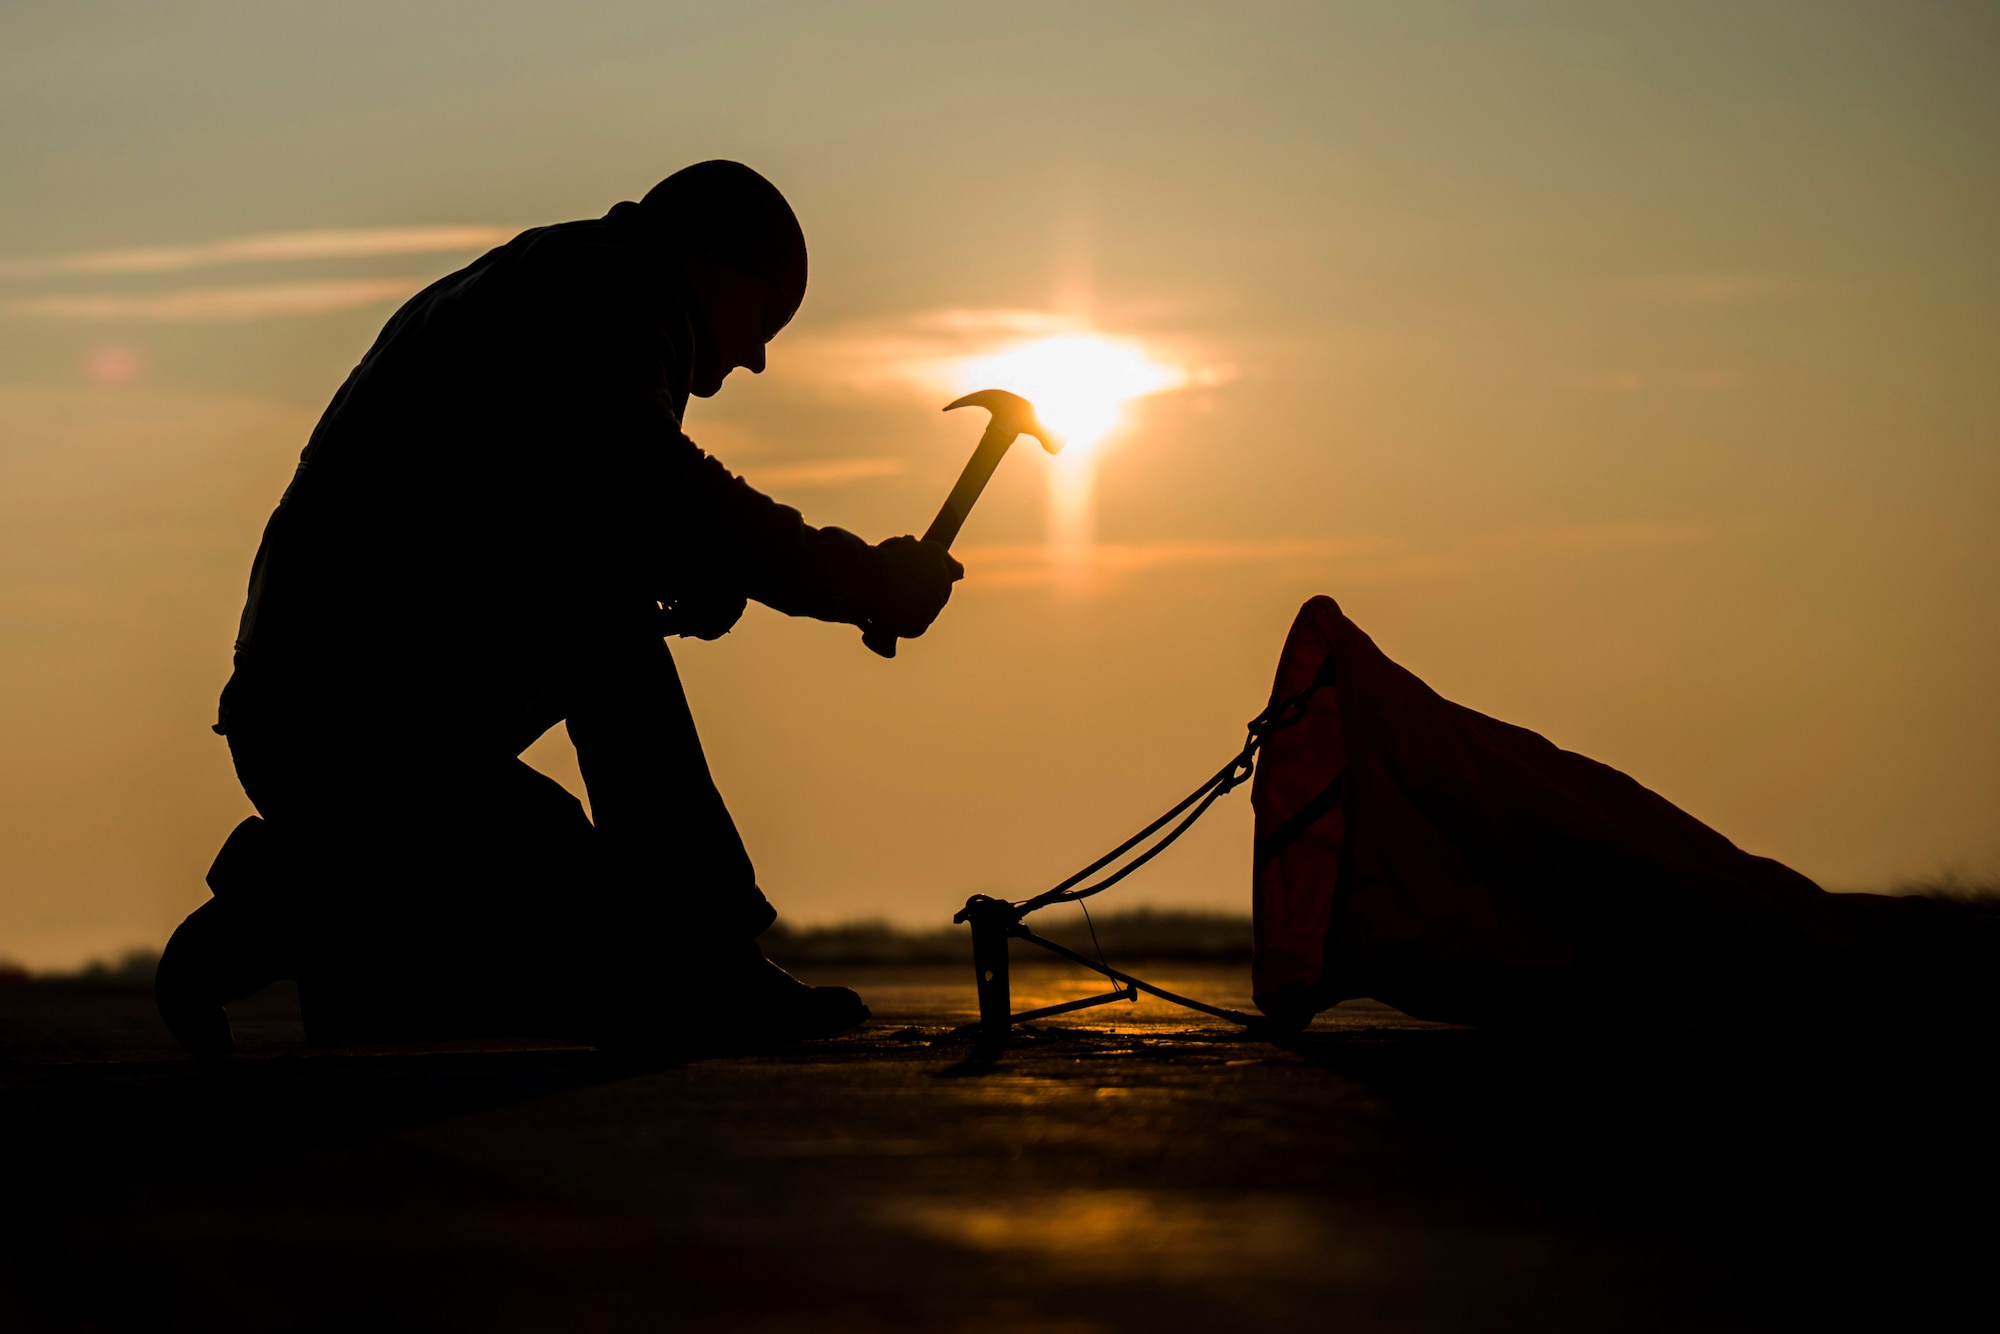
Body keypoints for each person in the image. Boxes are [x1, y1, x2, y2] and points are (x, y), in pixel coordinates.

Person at [156, 161, 962, 1057]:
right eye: (766, 317)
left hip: (324, 726)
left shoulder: (549, 282)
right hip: (352, 727)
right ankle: (703, 953)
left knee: (552, 886)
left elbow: (542, 510)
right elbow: (656, 489)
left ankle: (301, 904)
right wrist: (856, 579)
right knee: (595, 876)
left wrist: (681, 566)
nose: (758, 355)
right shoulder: (610, 290)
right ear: (703, 260)